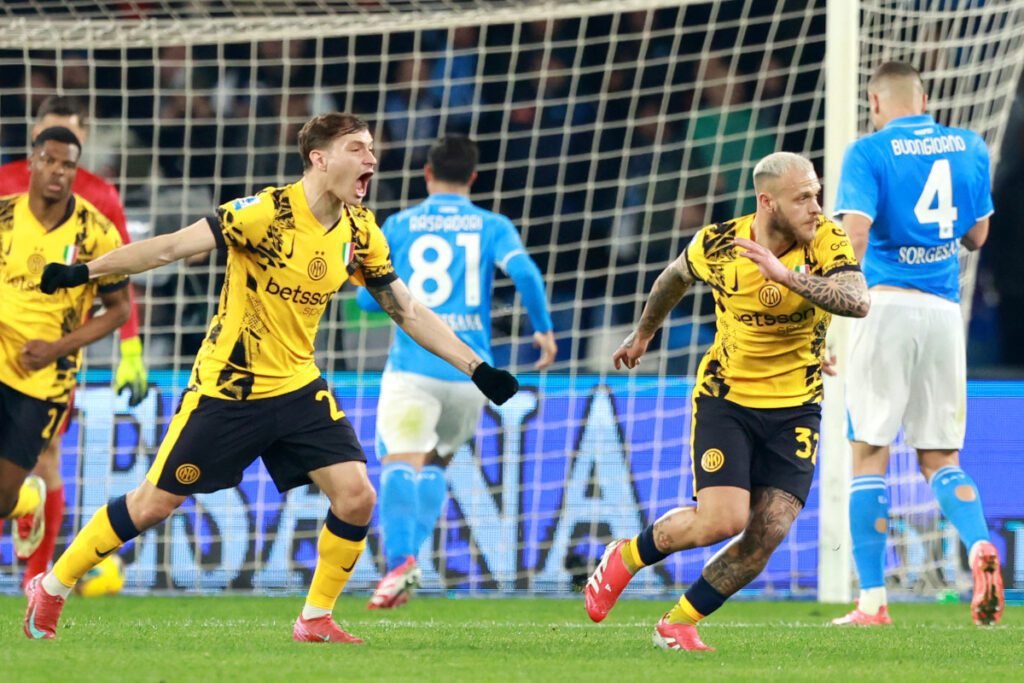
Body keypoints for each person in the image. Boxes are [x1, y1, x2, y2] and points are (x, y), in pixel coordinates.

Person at [24, 112, 519, 643]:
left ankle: (314, 618)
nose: (371, 160)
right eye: (358, 149)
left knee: (357, 496)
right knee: (154, 504)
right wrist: (85, 271)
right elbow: (169, 247)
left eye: (372, 149)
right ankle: (53, 585)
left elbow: (408, 310)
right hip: (229, 388)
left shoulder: (360, 229)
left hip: (298, 387)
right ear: (320, 158)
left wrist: (477, 367)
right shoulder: (264, 213)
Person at [584, 152, 869, 652]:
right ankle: (627, 555)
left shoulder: (827, 236)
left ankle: (679, 621)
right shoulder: (719, 243)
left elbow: (857, 299)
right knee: (723, 520)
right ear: (767, 202)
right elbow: (673, 278)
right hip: (727, 398)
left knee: (769, 530)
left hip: (797, 406)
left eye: (817, 194)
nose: (815, 207)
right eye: (802, 197)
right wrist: (644, 333)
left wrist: (786, 277)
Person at [831, 61, 1003, 627]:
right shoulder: (970, 145)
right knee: (939, 458)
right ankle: (979, 543)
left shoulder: (869, 151)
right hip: (943, 313)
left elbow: (854, 236)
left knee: (869, 455)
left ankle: (872, 603)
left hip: (885, 307)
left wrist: (831, 320)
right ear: (924, 98)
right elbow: (977, 235)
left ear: (875, 104)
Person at [355, 136, 556, 609]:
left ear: (426, 174)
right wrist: (543, 330)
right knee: (437, 463)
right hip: (470, 374)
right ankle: (409, 563)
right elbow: (525, 274)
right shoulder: (492, 225)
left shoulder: (401, 224)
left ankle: (400, 564)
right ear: (473, 178)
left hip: (413, 370)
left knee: (402, 462)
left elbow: (369, 301)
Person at [0, 95, 149, 591]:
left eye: (69, 160)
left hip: (46, 373)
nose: (58, 170)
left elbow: (120, 300)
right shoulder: (4, 206)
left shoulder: (97, 220)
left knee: (28, 476)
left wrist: (128, 349)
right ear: (33, 153)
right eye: (49, 158)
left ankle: (29, 533)